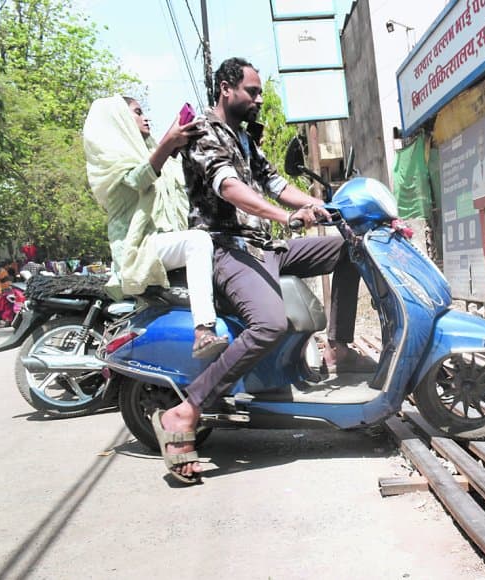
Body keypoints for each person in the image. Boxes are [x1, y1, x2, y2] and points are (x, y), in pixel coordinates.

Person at [153, 57, 372, 484]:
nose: (258, 99)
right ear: (225, 89)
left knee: (351, 251)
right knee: (269, 322)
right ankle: (187, 410)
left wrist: (318, 207)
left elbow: (276, 184)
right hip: (226, 249)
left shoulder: (245, 140)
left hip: (264, 247)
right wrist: (284, 217)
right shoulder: (203, 133)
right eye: (252, 91)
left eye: (259, 93)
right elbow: (229, 189)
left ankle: (337, 348)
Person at [83, 95, 228, 359]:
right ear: (121, 120)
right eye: (138, 113)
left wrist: (179, 140)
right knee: (197, 241)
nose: (145, 117)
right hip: (138, 248)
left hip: (163, 244)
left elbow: (171, 173)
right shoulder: (112, 161)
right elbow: (140, 178)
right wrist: (168, 143)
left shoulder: (150, 154)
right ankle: (203, 331)